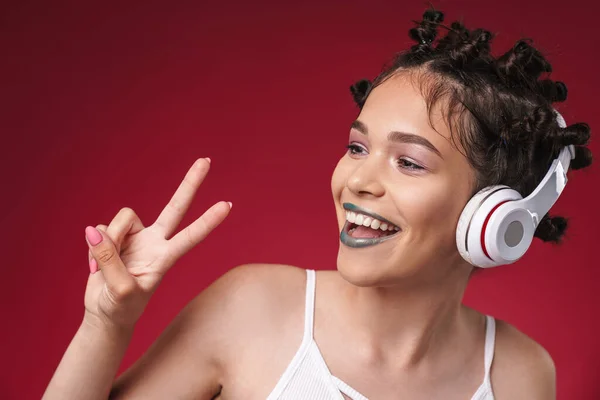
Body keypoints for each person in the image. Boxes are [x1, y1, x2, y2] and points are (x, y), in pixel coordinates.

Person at [43, 8, 593, 400]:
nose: (358, 179)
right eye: (357, 147)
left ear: (496, 218)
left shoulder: (521, 374)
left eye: (408, 162)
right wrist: (104, 324)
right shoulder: (253, 308)